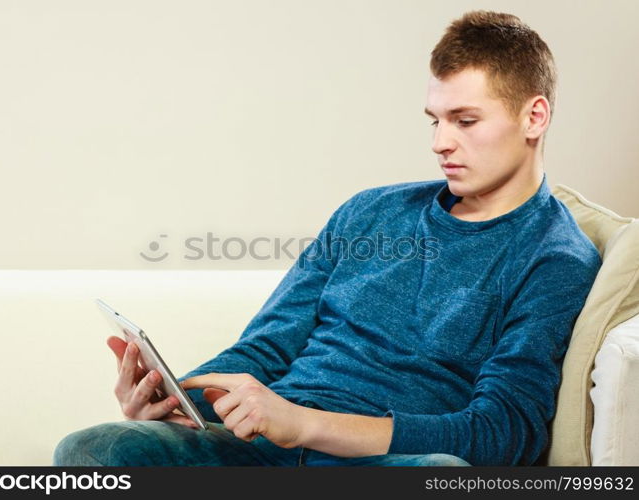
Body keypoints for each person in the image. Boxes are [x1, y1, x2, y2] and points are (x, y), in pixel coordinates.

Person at [53, 10, 601, 467]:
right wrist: (182, 397)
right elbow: (264, 350)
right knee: (94, 450)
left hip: (384, 461)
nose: (440, 142)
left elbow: (501, 433)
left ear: (534, 116)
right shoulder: (370, 211)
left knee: (442, 476)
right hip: (264, 449)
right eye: (433, 119)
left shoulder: (555, 258)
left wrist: (303, 426)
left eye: (465, 120)